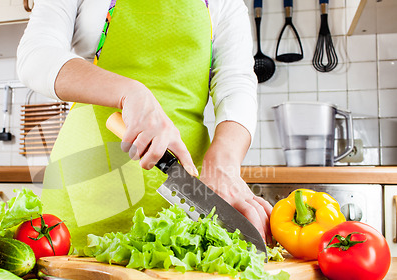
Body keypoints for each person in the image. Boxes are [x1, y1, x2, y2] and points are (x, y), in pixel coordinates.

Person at [17, 0, 272, 249]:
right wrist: (129, 92)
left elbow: (236, 82)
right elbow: (37, 54)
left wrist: (223, 163)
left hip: (187, 204)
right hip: (82, 196)